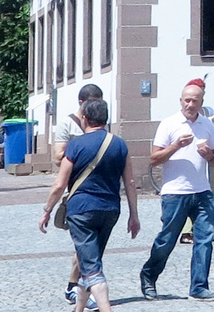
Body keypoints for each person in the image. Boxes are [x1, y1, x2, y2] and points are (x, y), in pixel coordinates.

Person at [41, 98, 140, 312]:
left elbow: (60, 183)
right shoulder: (120, 144)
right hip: (110, 210)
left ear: (84, 119)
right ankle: (78, 309)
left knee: (93, 267)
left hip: (82, 211)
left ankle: (106, 308)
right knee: (90, 262)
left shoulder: (75, 145)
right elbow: (130, 182)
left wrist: (47, 211)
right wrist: (134, 216)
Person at [139, 79, 214, 302]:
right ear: (180, 101)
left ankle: (199, 287)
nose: (190, 104)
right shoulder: (169, 123)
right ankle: (148, 276)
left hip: (202, 191)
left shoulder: (207, 124)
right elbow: (154, 159)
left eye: (194, 101)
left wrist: (209, 156)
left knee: (204, 239)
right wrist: (176, 146)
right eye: (187, 100)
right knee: (168, 239)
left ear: (201, 102)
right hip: (175, 191)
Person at [55, 84, 107, 305]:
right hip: (77, 190)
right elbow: (58, 156)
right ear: (81, 103)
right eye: (92, 102)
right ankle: (79, 290)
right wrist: (82, 147)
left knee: (88, 247)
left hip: (101, 191)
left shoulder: (100, 122)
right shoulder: (67, 123)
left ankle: (76, 288)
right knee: (86, 247)